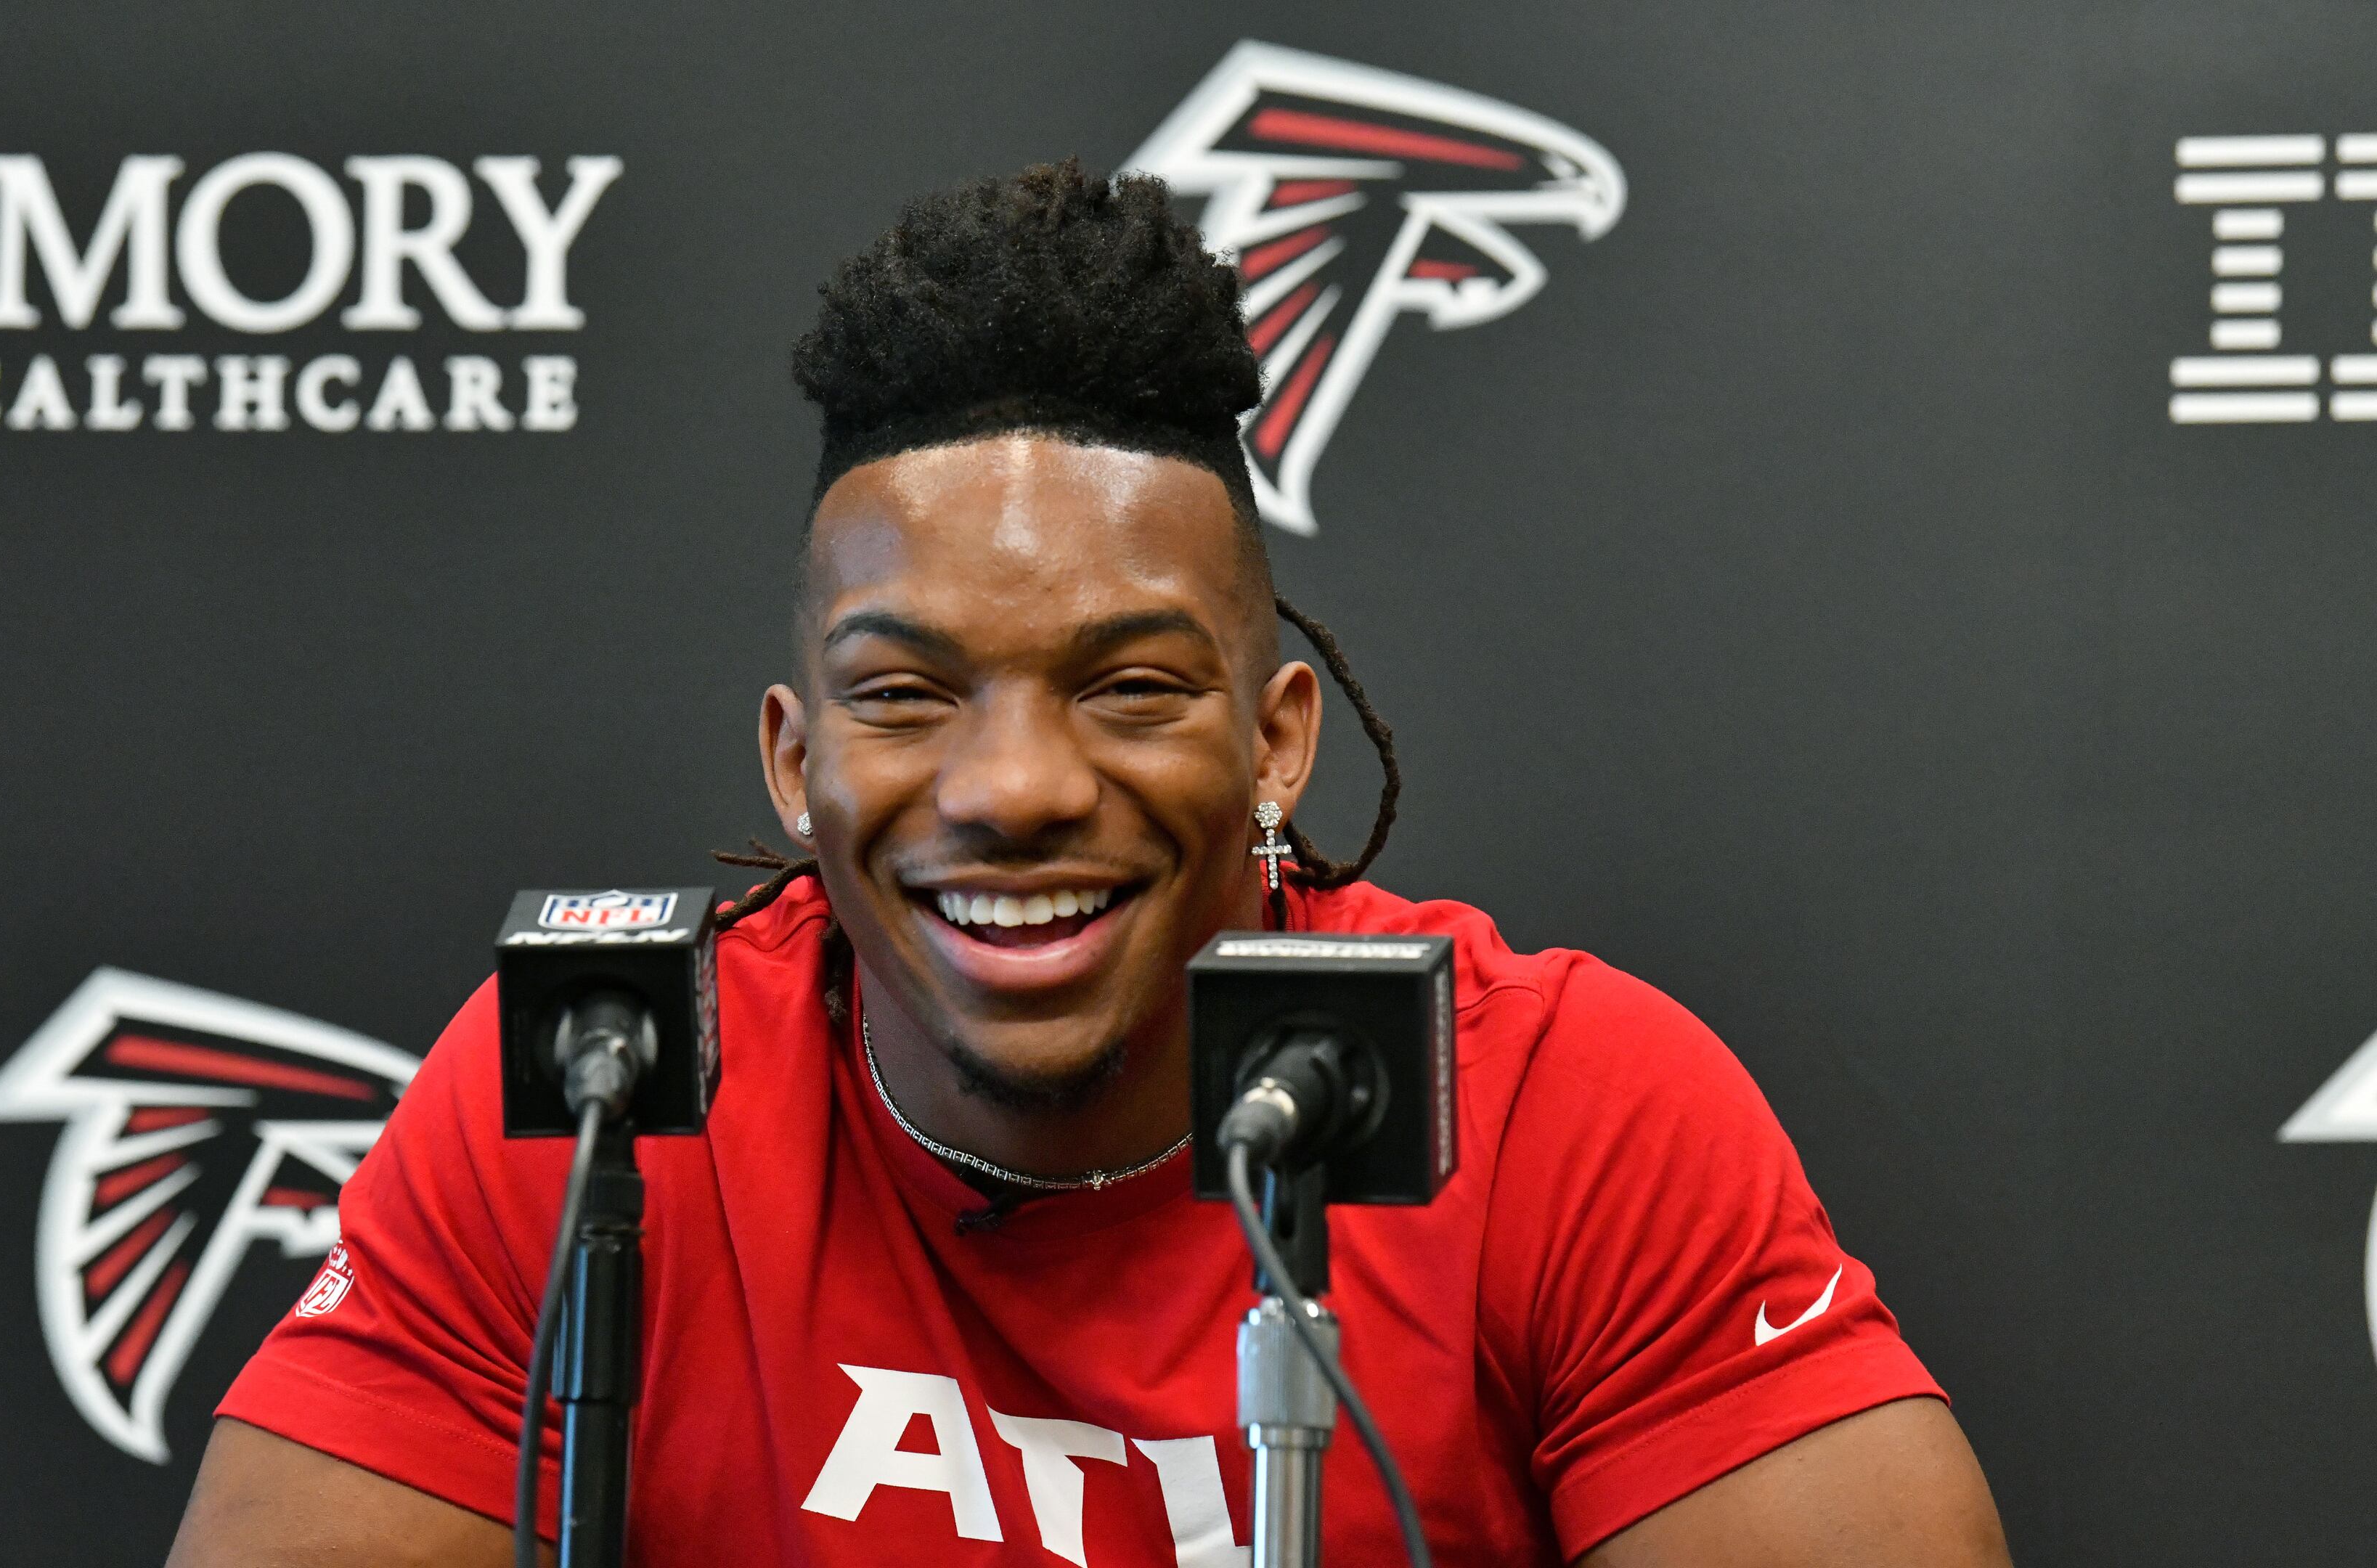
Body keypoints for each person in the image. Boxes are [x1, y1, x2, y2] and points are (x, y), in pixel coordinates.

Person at [166, 159, 2009, 1567]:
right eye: (906, 696)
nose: (1017, 787)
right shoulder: (595, 1106)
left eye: (1129, 687)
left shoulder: (1559, 1108)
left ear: (1275, 736)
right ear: (794, 764)